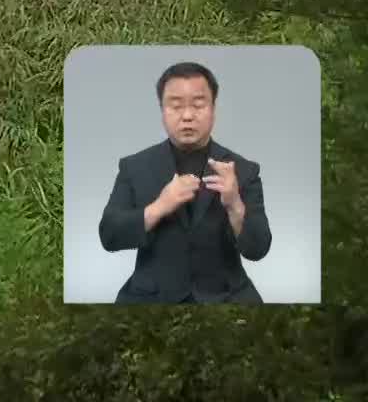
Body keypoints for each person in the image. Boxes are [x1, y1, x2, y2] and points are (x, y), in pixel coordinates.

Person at [98, 61, 272, 302]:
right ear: (162, 110)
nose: (188, 116)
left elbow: (258, 249)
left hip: (226, 297)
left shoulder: (243, 170)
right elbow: (109, 235)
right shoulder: (134, 167)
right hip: (151, 297)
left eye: (199, 105)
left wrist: (234, 204)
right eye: (176, 106)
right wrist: (160, 207)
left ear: (213, 109)